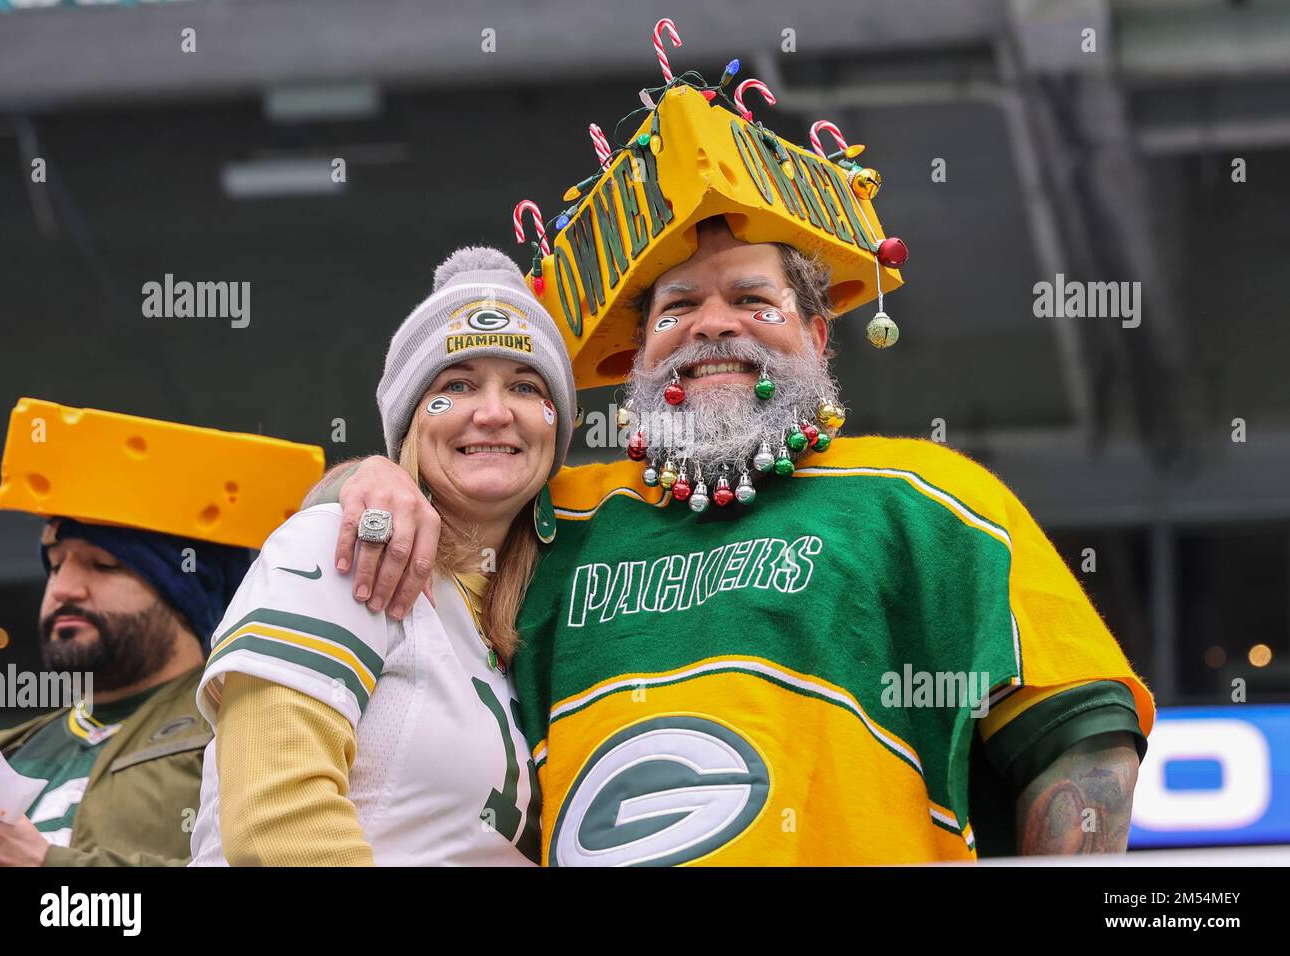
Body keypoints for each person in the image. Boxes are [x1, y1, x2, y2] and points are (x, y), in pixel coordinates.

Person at [304, 37, 1152, 865]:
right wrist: (369, 476)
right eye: (675, 310)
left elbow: (1081, 746)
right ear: (638, 358)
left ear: (818, 336)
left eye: (754, 298)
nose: (714, 325)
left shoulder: (924, 496)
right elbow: (344, 541)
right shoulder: (553, 516)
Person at [190, 247, 575, 866]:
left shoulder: (530, 617)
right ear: (409, 420)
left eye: (526, 387)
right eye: (457, 384)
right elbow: (276, 826)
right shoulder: (342, 544)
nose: (495, 412)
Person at [0, 518, 250, 867]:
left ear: (183, 595)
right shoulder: (5, 750)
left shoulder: (244, 723)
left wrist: (45, 864)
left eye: (103, 565)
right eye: (54, 566)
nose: (62, 589)